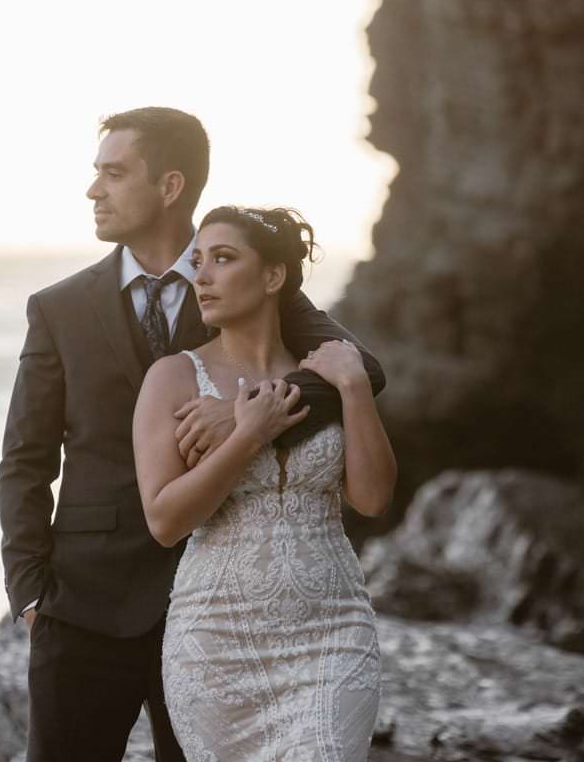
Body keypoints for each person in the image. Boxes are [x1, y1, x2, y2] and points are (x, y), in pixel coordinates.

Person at [0, 108, 385, 762]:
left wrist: (242, 409)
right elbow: (25, 459)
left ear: (170, 186)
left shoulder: (249, 282)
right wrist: (29, 590)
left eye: (114, 174)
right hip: (90, 602)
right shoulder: (59, 309)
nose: (95, 191)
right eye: (97, 174)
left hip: (223, 610)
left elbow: (359, 370)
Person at [133, 205, 396, 761]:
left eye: (223, 259)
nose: (201, 277)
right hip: (215, 643)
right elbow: (164, 521)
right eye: (198, 262)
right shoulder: (174, 377)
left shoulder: (327, 374)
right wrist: (247, 435)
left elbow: (372, 499)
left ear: (274, 276)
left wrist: (352, 390)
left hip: (333, 631)